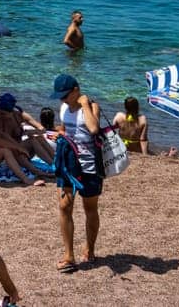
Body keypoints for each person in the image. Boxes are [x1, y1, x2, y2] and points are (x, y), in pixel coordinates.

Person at [51, 73, 103, 271]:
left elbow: (93, 128)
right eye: (60, 96)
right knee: (64, 206)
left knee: (90, 208)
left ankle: (90, 248)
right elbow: (64, 128)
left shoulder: (92, 106)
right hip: (68, 162)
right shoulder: (64, 107)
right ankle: (69, 255)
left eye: (65, 95)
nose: (62, 99)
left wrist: (85, 104)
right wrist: (60, 134)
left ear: (76, 91)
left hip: (90, 165)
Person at [0, 92, 54, 162]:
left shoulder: (19, 114)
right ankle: (52, 164)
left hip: (20, 150)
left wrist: (31, 132)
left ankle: (56, 161)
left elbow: (41, 129)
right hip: (11, 152)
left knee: (39, 138)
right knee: (32, 140)